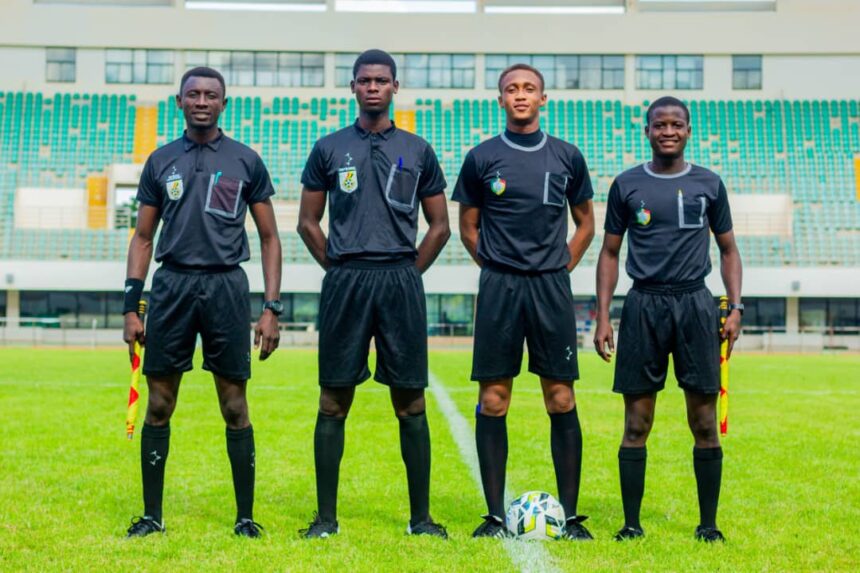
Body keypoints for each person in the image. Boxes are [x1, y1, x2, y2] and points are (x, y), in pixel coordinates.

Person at [296, 49, 450, 539]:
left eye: (382, 80)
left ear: (395, 87)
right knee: (333, 400)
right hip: (347, 280)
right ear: (353, 87)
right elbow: (306, 222)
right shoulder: (328, 147)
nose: (373, 87)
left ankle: (421, 519)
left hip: (399, 279)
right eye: (364, 80)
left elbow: (440, 226)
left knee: (411, 401)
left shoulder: (419, 149)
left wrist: (408, 272)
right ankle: (325, 519)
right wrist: (338, 268)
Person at [123, 66, 282, 539]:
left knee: (234, 405)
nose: (202, 101)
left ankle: (245, 517)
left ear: (223, 104)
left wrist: (271, 307)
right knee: (159, 402)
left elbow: (271, 238)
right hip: (171, 288)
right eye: (193, 94)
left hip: (226, 289)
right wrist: (132, 304)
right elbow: (144, 236)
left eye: (211, 95)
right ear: (179, 102)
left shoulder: (246, 160)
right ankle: (152, 516)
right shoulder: (161, 160)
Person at [452, 64, 596, 539]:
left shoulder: (567, 157)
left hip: (550, 288)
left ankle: (570, 517)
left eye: (528, 89)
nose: (520, 95)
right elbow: (467, 227)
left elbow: (586, 224)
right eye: (511, 89)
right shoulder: (481, 158)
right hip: (500, 288)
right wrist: (496, 268)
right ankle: (494, 516)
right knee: (493, 400)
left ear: (543, 98)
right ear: (500, 100)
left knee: (561, 397)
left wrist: (559, 269)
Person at [593, 96, 743, 542]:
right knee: (637, 421)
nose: (668, 131)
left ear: (688, 130)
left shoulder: (709, 184)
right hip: (643, 306)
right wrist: (603, 316)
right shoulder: (626, 185)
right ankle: (631, 524)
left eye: (677, 124)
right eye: (660, 124)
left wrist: (735, 307)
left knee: (702, 420)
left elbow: (729, 249)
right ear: (648, 131)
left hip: (696, 305)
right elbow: (609, 252)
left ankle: (708, 525)